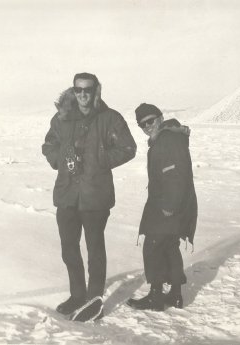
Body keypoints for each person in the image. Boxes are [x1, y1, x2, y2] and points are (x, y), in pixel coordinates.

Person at [42, 73, 137, 321]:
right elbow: (49, 145)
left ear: (96, 91)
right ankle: (77, 295)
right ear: (73, 91)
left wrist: (99, 160)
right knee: (69, 248)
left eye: (88, 90)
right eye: (78, 90)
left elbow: (128, 148)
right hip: (67, 195)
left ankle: (94, 302)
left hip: (95, 194)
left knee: (95, 249)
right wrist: (60, 160)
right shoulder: (61, 118)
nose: (83, 94)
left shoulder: (109, 118)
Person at [127, 103, 197, 311]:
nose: (147, 126)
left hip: (168, 204)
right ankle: (175, 295)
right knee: (169, 246)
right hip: (173, 203)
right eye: (142, 125)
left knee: (153, 246)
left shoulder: (168, 139)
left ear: (160, 118)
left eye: (150, 121)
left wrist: (169, 205)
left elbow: (176, 172)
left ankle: (155, 296)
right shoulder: (167, 137)